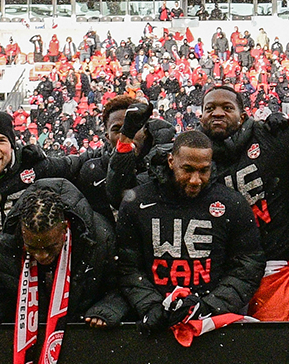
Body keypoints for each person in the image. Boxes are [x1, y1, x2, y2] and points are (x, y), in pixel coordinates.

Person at [0, 109, 108, 323]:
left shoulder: (34, 168)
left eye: (0, 140)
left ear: (12, 144)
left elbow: (85, 160)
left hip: (24, 293)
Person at [107, 131, 264, 333]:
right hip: (153, 323)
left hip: (212, 326)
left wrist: (208, 306)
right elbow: (127, 266)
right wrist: (151, 306)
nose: (195, 180)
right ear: (171, 161)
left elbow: (248, 264)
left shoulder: (232, 203)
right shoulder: (138, 202)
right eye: (187, 170)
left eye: (203, 171)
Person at [190, 85, 289, 321]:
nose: (218, 113)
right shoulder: (192, 154)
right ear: (200, 116)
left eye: (227, 108)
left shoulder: (269, 137)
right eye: (210, 108)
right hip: (222, 272)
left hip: (276, 266)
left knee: (275, 350)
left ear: (243, 116)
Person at [0, 178, 121, 332]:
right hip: (30, 339)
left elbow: (119, 286)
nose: (42, 256)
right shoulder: (7, 243)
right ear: (21, 230)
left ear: (65, 227)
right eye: (32, 247)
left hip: (84, 335)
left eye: (50, 247)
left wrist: (104, 310)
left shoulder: (99, 239)